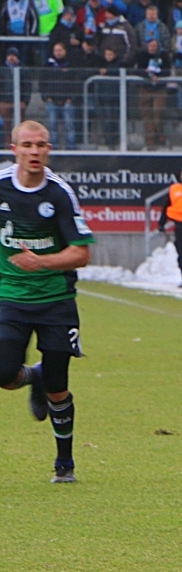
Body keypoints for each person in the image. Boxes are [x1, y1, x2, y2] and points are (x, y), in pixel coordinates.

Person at [0, 120, 93, 484]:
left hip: (56, 300)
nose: (34, 151)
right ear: (15, 149)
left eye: (41, 145)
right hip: (10, 297)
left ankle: (64, 464)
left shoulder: (58, 193)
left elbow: (81, 253)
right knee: (4, 373)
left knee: (57, 384)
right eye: (27, 145)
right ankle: (30, 375)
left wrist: (43, 262)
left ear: (49, 149)